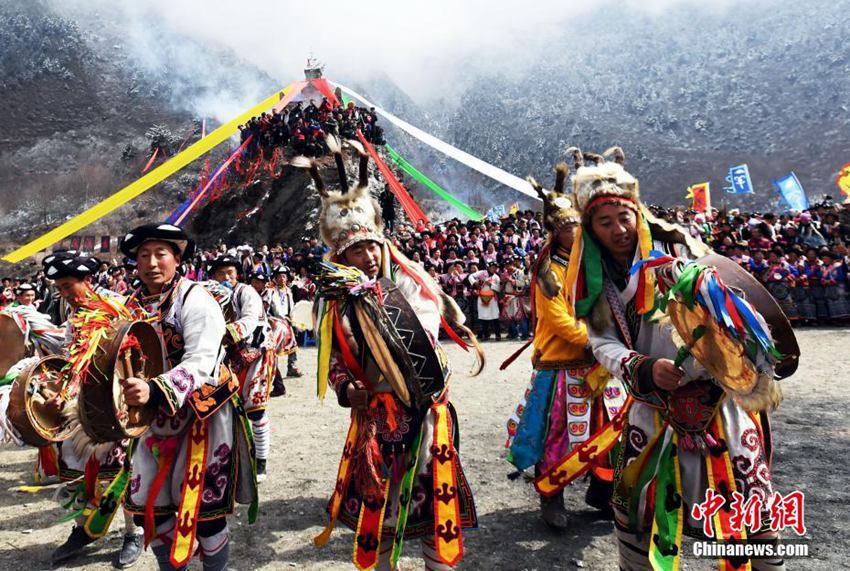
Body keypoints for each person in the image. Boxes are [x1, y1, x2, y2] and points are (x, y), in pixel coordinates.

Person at [563, 148, 785, 570]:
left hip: (717, 403)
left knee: (753, 507)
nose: (619, 229)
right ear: (591, 229)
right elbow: (601, 342)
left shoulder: (679, 248)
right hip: (653, 407)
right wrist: (641, 367)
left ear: (637, 213)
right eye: (605, 222)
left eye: (624, 218)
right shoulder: (593, 281)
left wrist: (696, 286)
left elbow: (730, 306)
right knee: (636, 513)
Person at [296, 143, 481, 570]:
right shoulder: (334, 301)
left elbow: (427, 330)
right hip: (374, 412)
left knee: (434, 504)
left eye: (373, 248)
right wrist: (346, 387)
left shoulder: (411, 282)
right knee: (378, 506)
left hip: (421, 409)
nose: (369, 256)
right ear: (341, 257)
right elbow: (334, 358)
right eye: (357, 252)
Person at [119, 224, 255, 571]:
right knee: (155, 506)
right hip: (151, 420)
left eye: (160, 254)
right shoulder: (129, 307)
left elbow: (203, 359)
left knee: (204, 511)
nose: (151, 263)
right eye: (143, 255)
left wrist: (154, 388)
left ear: (177, 259)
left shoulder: (195, 298)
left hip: (203, 418)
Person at [504, 165, 626, 530]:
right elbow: (558, 321)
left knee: (609, 431)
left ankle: (603, 493)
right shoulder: (549, 272)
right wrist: (600, 342)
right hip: (563, 365)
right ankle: (551, 495)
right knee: (558, 434)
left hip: (599, 364)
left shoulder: (594, 265)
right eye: (568, 229)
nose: (575, 234)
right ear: (555, 233)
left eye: (578, 228)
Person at [208, 255, 274, 482]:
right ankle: (235, 459)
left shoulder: (245, 292)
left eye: (230, 273)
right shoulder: (211, 296)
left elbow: (249, 320)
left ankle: (261, 462)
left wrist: (222, 334)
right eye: (220, 273)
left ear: (237, 274)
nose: (226, 277)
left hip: (257, 353)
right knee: (229, 409)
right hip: (231, 357)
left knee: (256, 408)